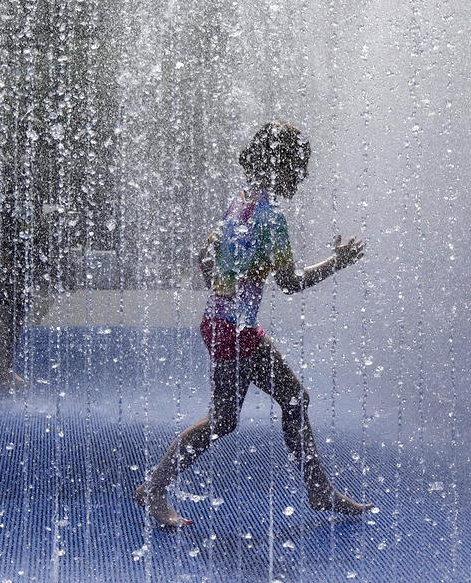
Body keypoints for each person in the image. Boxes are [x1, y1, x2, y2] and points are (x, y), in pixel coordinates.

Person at [136, 121, 373, 526]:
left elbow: (204, 257)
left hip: (223, 323)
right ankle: (155, 488)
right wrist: (339, 262)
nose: (303, 175)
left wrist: (225, 292)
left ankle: (317, 489)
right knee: (275, 404)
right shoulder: (271, 218)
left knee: (238, 416)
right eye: (300, 166)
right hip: (235, 331)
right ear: (281, 165)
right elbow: (291, 283)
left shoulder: (240, 201)